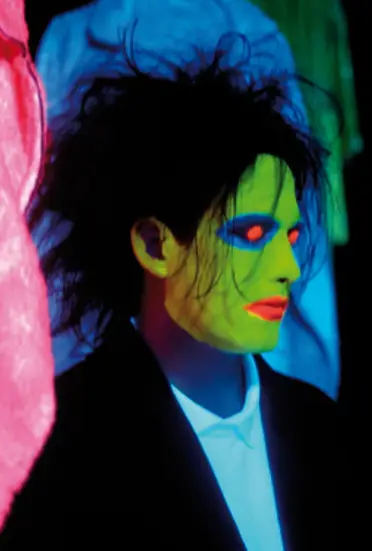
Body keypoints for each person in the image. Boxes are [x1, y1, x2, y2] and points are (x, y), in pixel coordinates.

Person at [0, 40, 338, 551]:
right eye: (250, 234)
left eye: (289, 237)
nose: (287, 269)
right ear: (156, 245)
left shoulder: (321, 429)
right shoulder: (59, 445)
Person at [31, 0, 342, 400]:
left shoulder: (250, 29)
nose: (290, 268)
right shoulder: (72, 37)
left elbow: (294, 205)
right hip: (101, 323)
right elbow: (45, 211)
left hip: (238, 342)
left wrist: (309, 378)